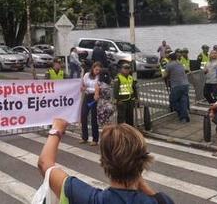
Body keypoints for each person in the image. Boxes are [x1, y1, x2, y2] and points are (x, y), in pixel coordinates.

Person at [38, 119, 174, 204]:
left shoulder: (87, 197)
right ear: (143, 161)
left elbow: (45, 164)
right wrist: (136, 173)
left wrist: (57, 128)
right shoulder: (162, 200)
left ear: (103, 161)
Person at [162, 52, 190, 123]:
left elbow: (164, 75)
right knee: (183, 101)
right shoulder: (180, 63)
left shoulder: (170, 65)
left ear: (170, 58)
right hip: (185, 85)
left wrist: (165, 75)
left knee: (172, 101)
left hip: (177, 86)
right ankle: (183, 118)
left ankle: (184, 114)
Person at [80, 62, 102, 146]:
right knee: (83, 115)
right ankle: (84, 137)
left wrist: (88, 88)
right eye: (96, 69)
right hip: (87, 96)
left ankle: (95, 139)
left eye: (99, 70)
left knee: (93, 118)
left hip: (94, 97)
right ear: (93, 69)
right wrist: (83, 88)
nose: (97, 71)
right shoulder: (86, 75)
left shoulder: (99, 77)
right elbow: (83, 85)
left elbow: (97, 87)